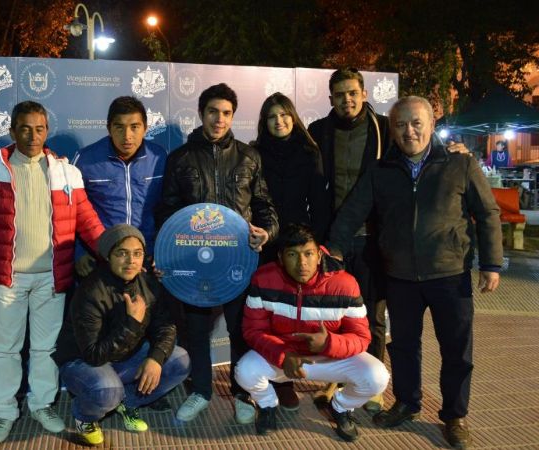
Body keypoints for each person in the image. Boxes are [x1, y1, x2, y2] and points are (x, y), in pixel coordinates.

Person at [328, 95, 503, 449]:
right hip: (400, 277)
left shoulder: (460, 165)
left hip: (450, 275)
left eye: (416, 123)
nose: (409, 131)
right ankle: (407, 402)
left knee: (456, 349)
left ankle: (455, 415)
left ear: (431, 124)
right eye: (401, 124)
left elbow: (488, 215)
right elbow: (352, 211)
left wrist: (491, 264)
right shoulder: (380, 171)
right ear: (392, 130)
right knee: (405, 346)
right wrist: (332, 247)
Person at [0, 100, 105, 443]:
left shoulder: (66, 172)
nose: (32, 135)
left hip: (51, 278)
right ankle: (4, 412)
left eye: (39, 128)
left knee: (44, 349)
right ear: (12, 131)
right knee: (5, 350)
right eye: (25, 128)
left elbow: (87, 221)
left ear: (46, 131)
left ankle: (42, 405)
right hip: (8, 278)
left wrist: (113, 250)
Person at [155, 83, 278, 424]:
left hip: (239, 261)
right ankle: (201, 391)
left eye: (226, 113)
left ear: (233, 116)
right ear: (201, 113)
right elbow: (166, 213)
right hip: (195, 264)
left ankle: (241, 393)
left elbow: (264, 207)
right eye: (213, 112)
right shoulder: (180, 158)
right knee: (196, 331)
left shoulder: (249, 157)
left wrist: (267, 232)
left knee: (240, 329)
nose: (219, 119)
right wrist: (168, 254)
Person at [236, 223, 389, 441]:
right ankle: (268, 406)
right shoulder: (263, 279)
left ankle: (341, 407)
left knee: (377, 377)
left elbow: (361, 337)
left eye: (308, 254)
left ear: (319, 255)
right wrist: (282, 353)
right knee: (245, 371)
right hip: (287, 358)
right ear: (280, 257)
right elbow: (253, 329)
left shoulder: (345, 284)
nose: (302, 264)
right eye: (292, 255)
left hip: (330, 358)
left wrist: (329, 344)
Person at [53, 224, 191, 445]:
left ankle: (128, 402)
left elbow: (165, 327)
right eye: (122, 253)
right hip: (83, 361)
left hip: (125, 354)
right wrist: (132, 323)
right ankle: (84, 416)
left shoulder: (148, 283)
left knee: (179, 360)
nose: (131, 261)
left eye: (137, 254)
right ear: (108, 256)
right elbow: (93, 355)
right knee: (107, 391)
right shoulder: (90, 292)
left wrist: (155, 358)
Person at [306, 69, 390, 411]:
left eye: (353, 93)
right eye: (340, 95)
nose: (347, 100)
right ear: (330, 99)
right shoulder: (318, 132)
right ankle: (333, 379)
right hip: (332, 240)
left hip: (373, 237)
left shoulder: (386, 129)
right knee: (333, 314)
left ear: (365, 93)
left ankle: (373, 383)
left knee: (374, 313)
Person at [252, 92, 331, 411]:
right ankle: (268, 379)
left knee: (292, 315)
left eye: (284, 114)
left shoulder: (309, 152)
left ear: (293, 117)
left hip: (298, 243)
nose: (279, 121)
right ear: (264, 122)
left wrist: (317, 244)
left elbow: (321, 203)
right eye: (272, 117)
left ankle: (288, 377)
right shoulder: (254, 153)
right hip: (265, 241)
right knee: (267, 314)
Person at [72, 96, 167, 274]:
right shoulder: (85, 159)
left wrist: (163, 250)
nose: (127, 136)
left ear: (145, 128)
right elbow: (71, 211)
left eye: (134, 127)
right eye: (119, 127)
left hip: (146, 258)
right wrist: (80, 251)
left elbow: (167, 207)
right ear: (109, 128)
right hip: (102, 257)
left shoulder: (159, 158)